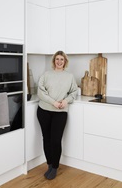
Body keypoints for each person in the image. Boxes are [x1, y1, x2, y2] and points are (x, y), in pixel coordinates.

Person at [37, 50, 78, 180]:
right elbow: (40, 92)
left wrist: (65, 101)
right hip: (44, 110)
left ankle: (55, 167)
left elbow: (74, 92)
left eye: (62, 59)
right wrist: (53, 102)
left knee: (55, 140)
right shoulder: (46, 75)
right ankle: (49, 164)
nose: (59, 61)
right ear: (54, 61)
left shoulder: (69, 76)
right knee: (46, 139)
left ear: (65, 62)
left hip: (60, 113)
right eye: (57, 59)